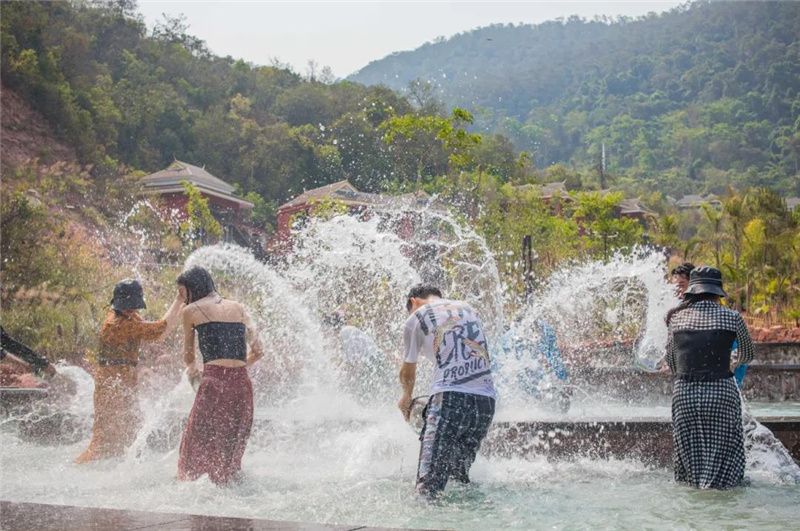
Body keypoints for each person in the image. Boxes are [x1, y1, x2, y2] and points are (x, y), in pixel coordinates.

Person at [398, 284, 496, 498]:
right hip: (486, 403)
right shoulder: (469, 309)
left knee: (428, 490)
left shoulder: (417, 317)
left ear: (413, 301)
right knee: (457, 481)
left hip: (449, 401)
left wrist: (406, 397)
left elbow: (408, 371)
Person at [665, 266, 755, 489]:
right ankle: (723, 489)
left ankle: (694, 490)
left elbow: (672, 361)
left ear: (692, 291)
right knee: (727, 447)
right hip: (721, 391)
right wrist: (733, 365)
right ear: (718, 292)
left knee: (688, 448)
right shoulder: (733, 317)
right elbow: (748, 354)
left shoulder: (676, 319)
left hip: (684, 393)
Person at [76, 279, 183, 463]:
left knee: (128, 432)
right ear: (119, 304)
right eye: (128, 306)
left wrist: (181, 303)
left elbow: (158, 333)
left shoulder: (128, 316)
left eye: (133, 306)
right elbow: (159, 331)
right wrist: (179, 300)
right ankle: (85, 468)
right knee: (105, 438)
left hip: (121, 379)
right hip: (112, 384)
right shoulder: (117, 324)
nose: (131, 309)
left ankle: (118, 470)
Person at [176, 266, 264, 485]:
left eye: (182, 293)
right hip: (242, 384)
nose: (181, 299)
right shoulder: (239, 307)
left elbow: (188, 358)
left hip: (213, 383)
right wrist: (238, 369)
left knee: (197, 440)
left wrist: (199, 373)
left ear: (192, 289)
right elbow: (259, 350)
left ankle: (192, 486)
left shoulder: (190, 311)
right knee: (230, 444)